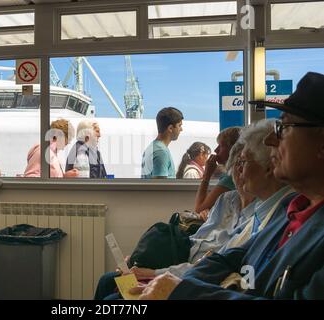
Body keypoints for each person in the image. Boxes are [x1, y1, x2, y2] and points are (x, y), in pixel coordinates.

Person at [135, 71, 324, 300]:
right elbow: (230, 258)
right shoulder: (290, 209)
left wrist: (184, 291)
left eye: (283, 128)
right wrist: (165, 282)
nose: (270, 141)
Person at [194, 126, 241, 215]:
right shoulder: (230, 175)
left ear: (233, 149)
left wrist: (207, 176)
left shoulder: (231, 178)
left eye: (221, 146)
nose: (216, 150)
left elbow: (199, 208)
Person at [141, 107, 183, 179]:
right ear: (170, 128)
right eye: (179, 125)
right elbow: (160, 187)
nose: (181, 129)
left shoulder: (152, 147)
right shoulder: (161, 152)